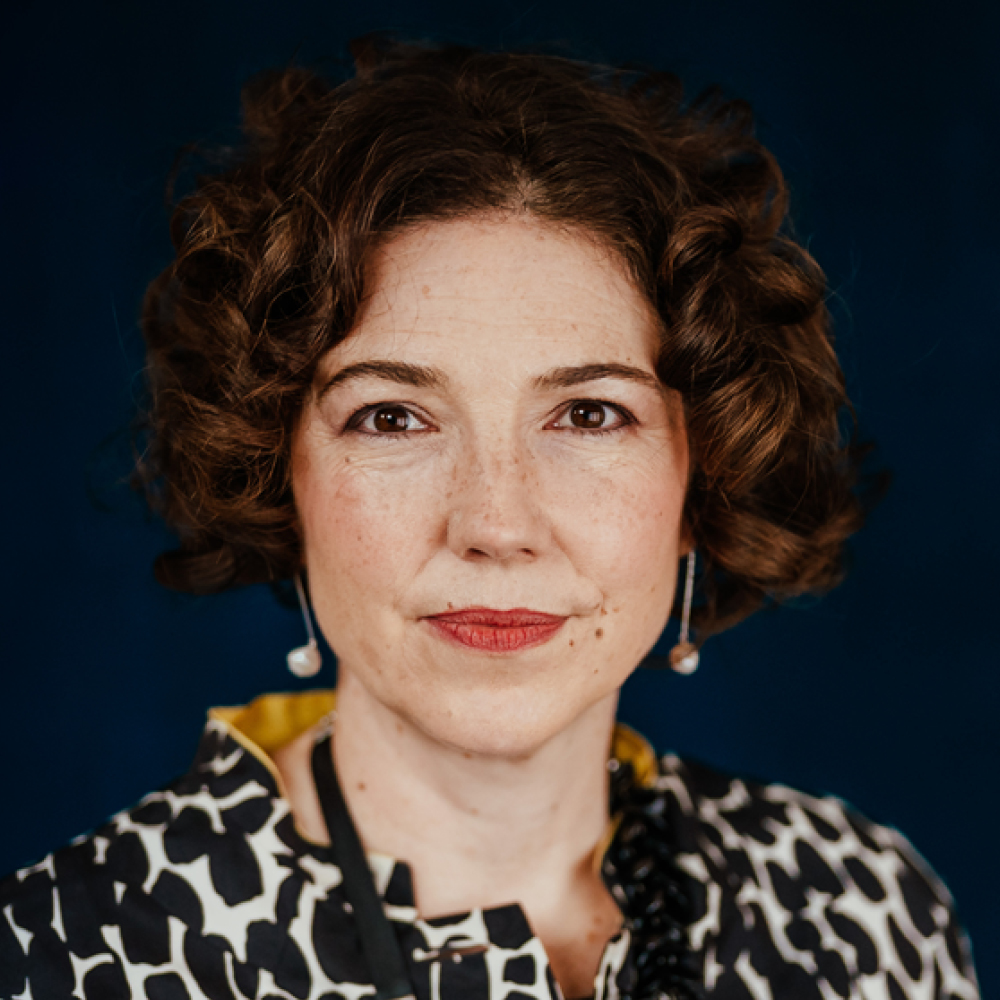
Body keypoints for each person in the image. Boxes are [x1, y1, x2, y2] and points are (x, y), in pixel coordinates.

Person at [0, 37, 979, 1000]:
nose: (496, 523)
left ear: (705, 475)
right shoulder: (58, 961)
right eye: (393, 417)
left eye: (590, 414)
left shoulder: (866, 913)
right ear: (275, 469)